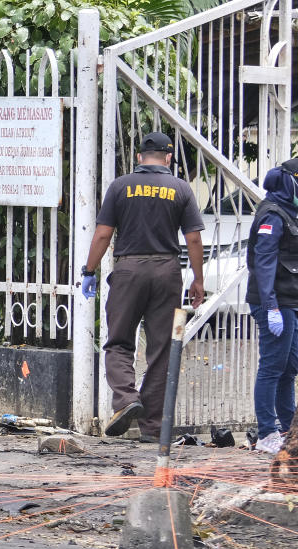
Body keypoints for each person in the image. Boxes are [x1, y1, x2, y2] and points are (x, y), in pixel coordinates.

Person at [81, 132, 205, 442]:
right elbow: (193, 239)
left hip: (129, 269)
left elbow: (102, 234)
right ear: (169, 157)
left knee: (119, 340)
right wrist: (198, 279)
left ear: (139, 158)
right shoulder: (181, 188)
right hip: (167, 272)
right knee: (162, 350)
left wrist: (89, 270)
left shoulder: (120, 186)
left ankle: (126, 399)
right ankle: (152, 429)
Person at [245, 159, 298, 454]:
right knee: (272, 367)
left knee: (289, 368)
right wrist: (270, 306)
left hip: (289, 300)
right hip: (274, 302)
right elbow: (263, 263)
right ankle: (267, 433)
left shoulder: (291, 212)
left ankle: (289, 431)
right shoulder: (273, 214)